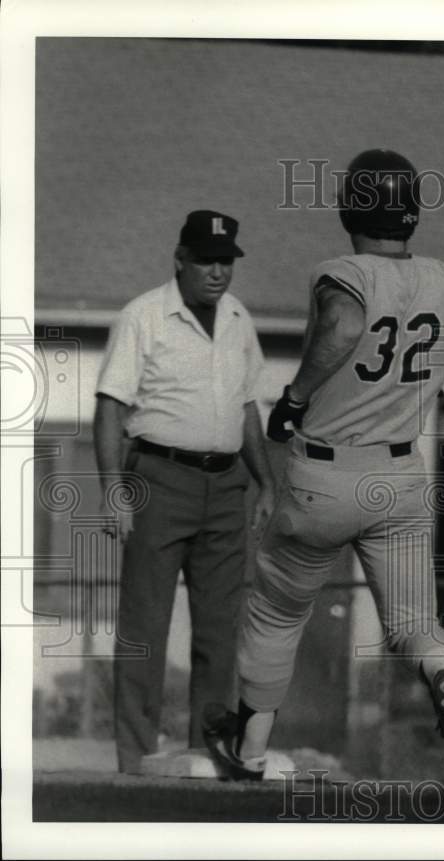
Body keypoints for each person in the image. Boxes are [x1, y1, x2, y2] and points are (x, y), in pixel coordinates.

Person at [202, 149, 444, 782]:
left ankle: (247, 753)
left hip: (325, 473)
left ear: (348, 208)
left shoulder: (344, 269)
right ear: (413, 212)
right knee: (416, 624)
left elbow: (343, 320)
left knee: (276, 613)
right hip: (401, 475)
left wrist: (295, 397)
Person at [94, 210, 275, 774]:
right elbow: (110, 408)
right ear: (180, 259)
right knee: (145, 627)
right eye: (206, 260)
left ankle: (207, 755)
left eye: (226, 261)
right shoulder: (144, 316)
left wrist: (267, 481)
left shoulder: (240, 318)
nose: (218, 272)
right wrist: (113, 490)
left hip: (226, 486)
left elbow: (248, 407)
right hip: (159, 479)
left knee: (221, 630)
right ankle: (134, 759)